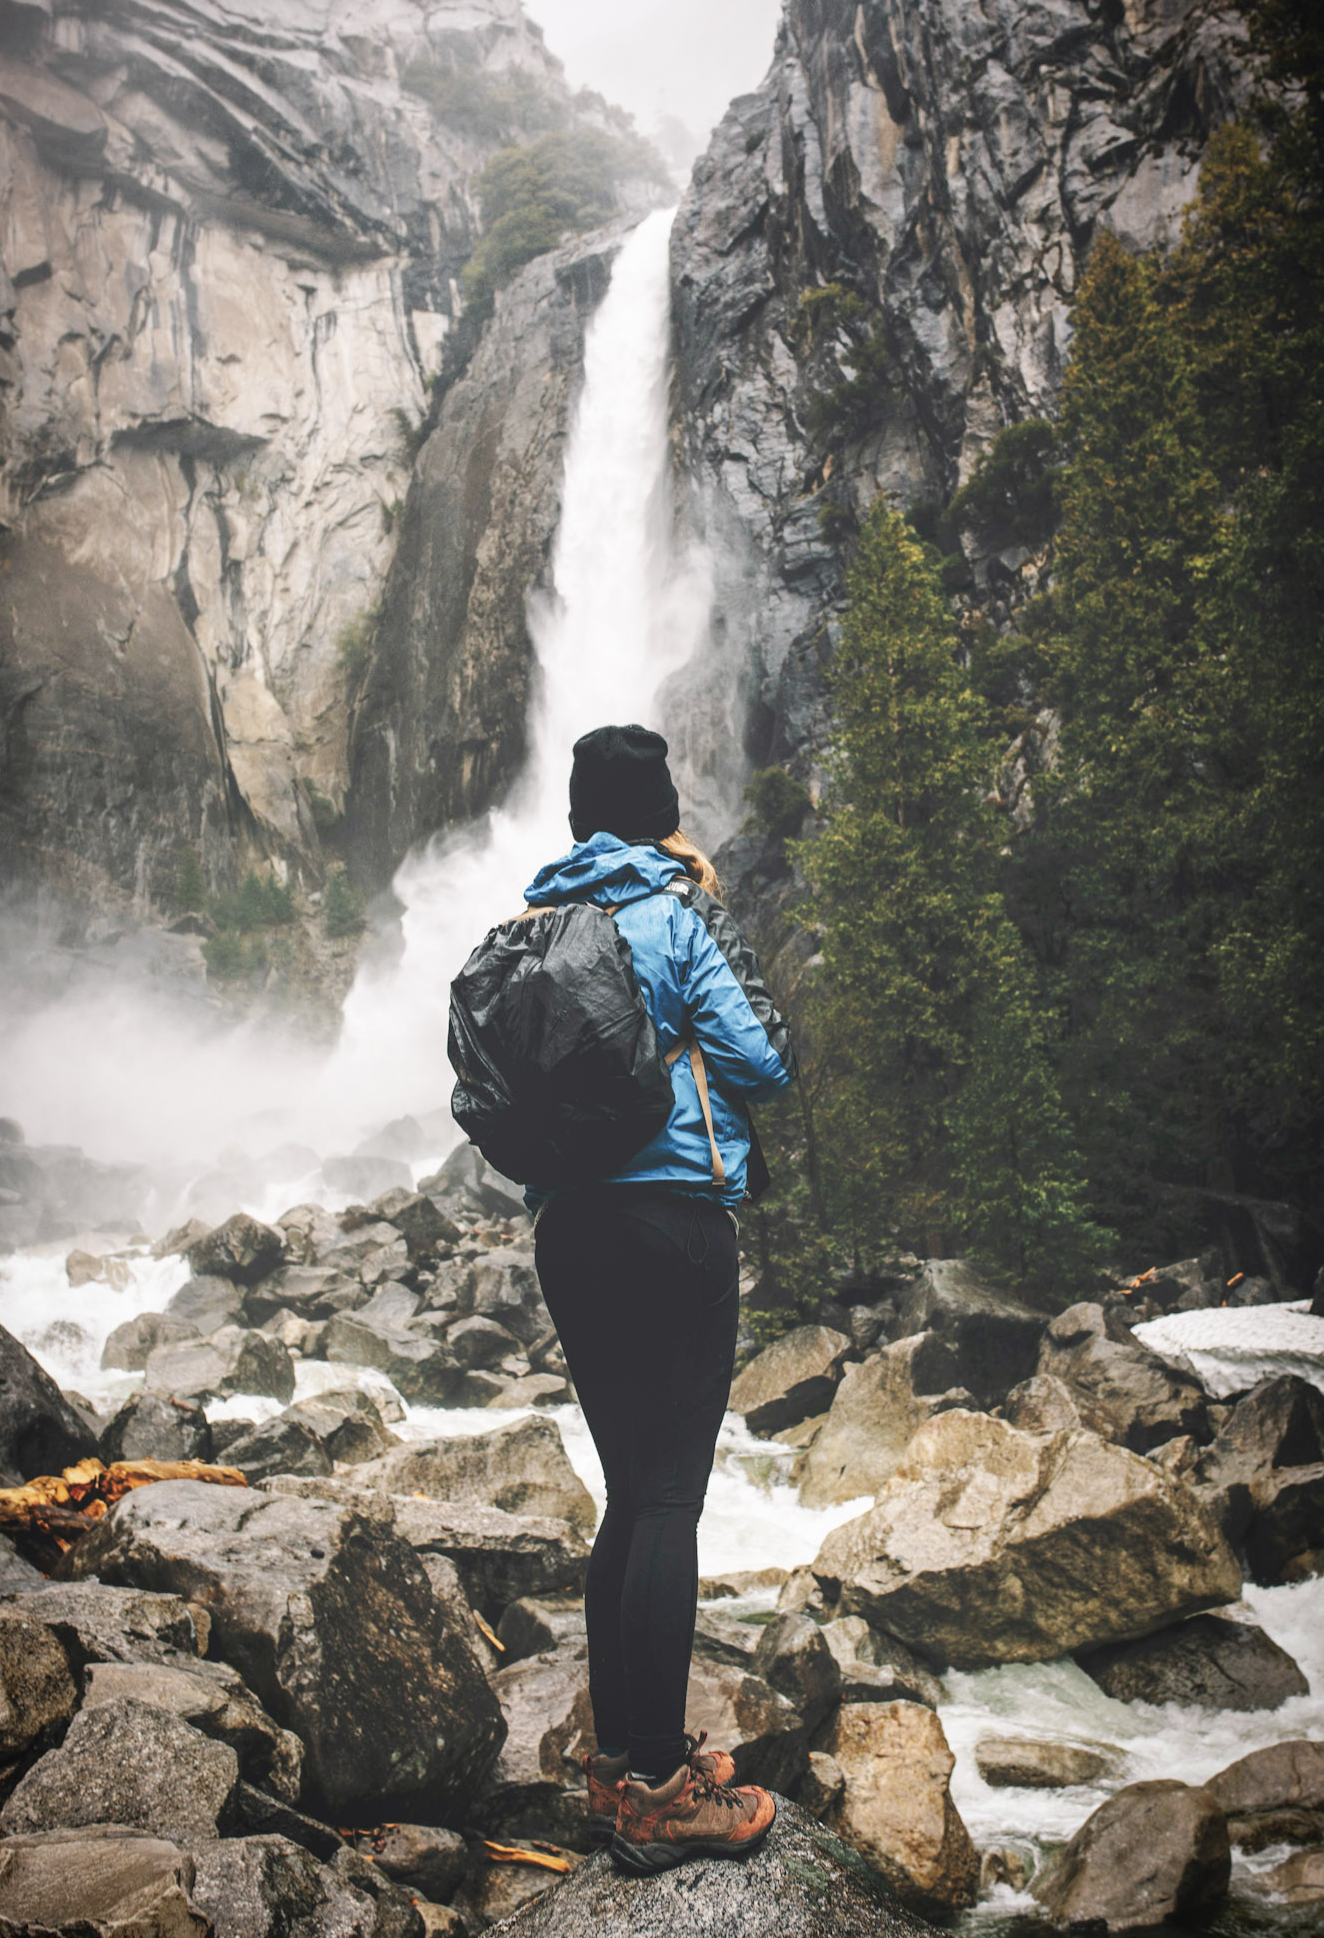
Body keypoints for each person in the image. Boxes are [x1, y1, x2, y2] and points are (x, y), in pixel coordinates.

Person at [523, 722, 796, 1873]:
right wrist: (705, 901)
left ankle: (620, 1762)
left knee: (626, 1492)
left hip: (568, 1233)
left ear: (582, 815)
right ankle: (655, 1791)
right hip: (674, 1219)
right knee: (672, 1495)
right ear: (662, 810)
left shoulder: (538, 924)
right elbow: (765, 1058)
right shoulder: (674, 912)